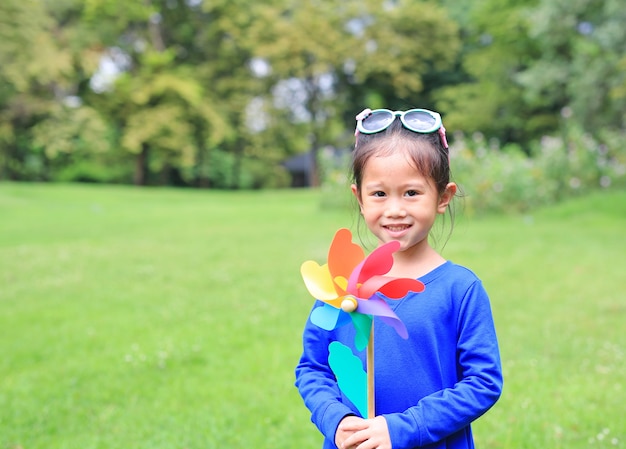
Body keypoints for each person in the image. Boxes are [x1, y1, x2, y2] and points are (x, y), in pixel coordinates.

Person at [295, 108, 503, 449]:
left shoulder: (460, 290)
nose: (394, 209)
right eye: (379, 194)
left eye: (411, 193)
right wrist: (336, 418)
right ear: (358, 198)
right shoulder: (342, 285)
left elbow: (483, 383)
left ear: (443, 197)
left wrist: (406, 427)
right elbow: (313, 368)